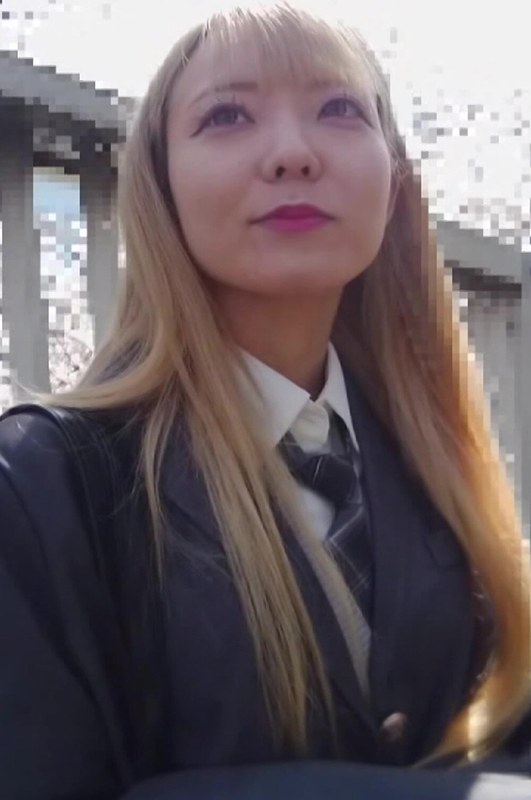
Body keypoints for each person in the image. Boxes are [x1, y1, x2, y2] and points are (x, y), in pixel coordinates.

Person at [0, 2, 530, 799]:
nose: (292, 153)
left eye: (339, 109)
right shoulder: (44, 488)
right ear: (159, 186)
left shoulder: (436, 470)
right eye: (227, 116)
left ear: (393, 181)